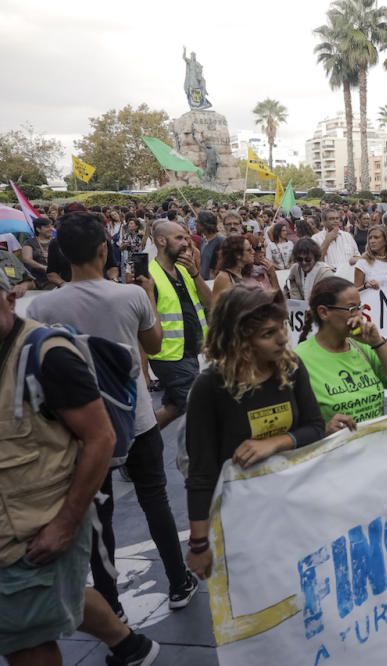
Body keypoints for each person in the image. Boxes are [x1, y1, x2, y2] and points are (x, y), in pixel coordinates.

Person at [26, 211, 198, 619]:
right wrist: (148, 294)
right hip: (135, 418)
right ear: (105, 250)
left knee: (98, 515)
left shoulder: (45, 306)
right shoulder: (131, 296)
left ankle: (111, 605)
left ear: (61, 255)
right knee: (155, 499)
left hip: (80, 430)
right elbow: (154, 345)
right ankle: (178, 581)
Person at [0, 272, 160, 666]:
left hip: (32, 532)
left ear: (9, 298)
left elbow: (100, 438)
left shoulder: (45, 355)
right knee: (63, 593)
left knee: (26, 640)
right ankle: (129, 645)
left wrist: (66, 523)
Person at [184, 286, 325, 580]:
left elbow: (315, 427)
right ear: (240, 341)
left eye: (282, 327)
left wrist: (277, 442)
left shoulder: (291, 367)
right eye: (268, 334)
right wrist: (199, 544)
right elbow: (201, 472)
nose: (283, 338)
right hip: (241, 517)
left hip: (295, 508)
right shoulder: (210, 387)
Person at [296, 276, 387, 428]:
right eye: (352, 309)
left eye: (360, 308)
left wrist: (378, 343)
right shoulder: (300, 359)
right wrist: (322, 431)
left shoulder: (363, 347)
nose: (360, 316)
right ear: (324, 313)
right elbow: (294, 425)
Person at [148, 220, 212, 430]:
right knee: (202, 408)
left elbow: (210, 302)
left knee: (174, 407)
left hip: (191, 352)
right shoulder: (150, 276)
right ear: (161, 240)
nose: (186, 242)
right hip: (170, 357)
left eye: (186, 237)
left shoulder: (184, 270)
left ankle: (136, 441)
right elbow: (141, 326)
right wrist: (143, 373)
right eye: (179, 238)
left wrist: (195, 273)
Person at [355, 225, 387, 291]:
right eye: (370, 238)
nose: (372, 241)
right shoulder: (362, 262)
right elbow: (355, 292)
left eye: (376, 237)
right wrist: (365, 286)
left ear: (386, 240)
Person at [211, 234, 254, 300]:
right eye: (249, 250)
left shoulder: (243, 273)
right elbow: (216, 306)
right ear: (237, 255)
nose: (253, 252)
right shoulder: (224, 277)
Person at [21, 216, 54, 289]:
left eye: (51, 226)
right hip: (36, 280)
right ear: (38, 229)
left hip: (55, 278)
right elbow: (26, 259)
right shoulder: (29, 242)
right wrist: (43, 267)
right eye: (47, 227)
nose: (51, 229)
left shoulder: (56, 242)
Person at [197, 211, 222, 279]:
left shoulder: (220, 241)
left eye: (198, 222)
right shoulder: (203, 241)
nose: (196, 224)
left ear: (204, 224)